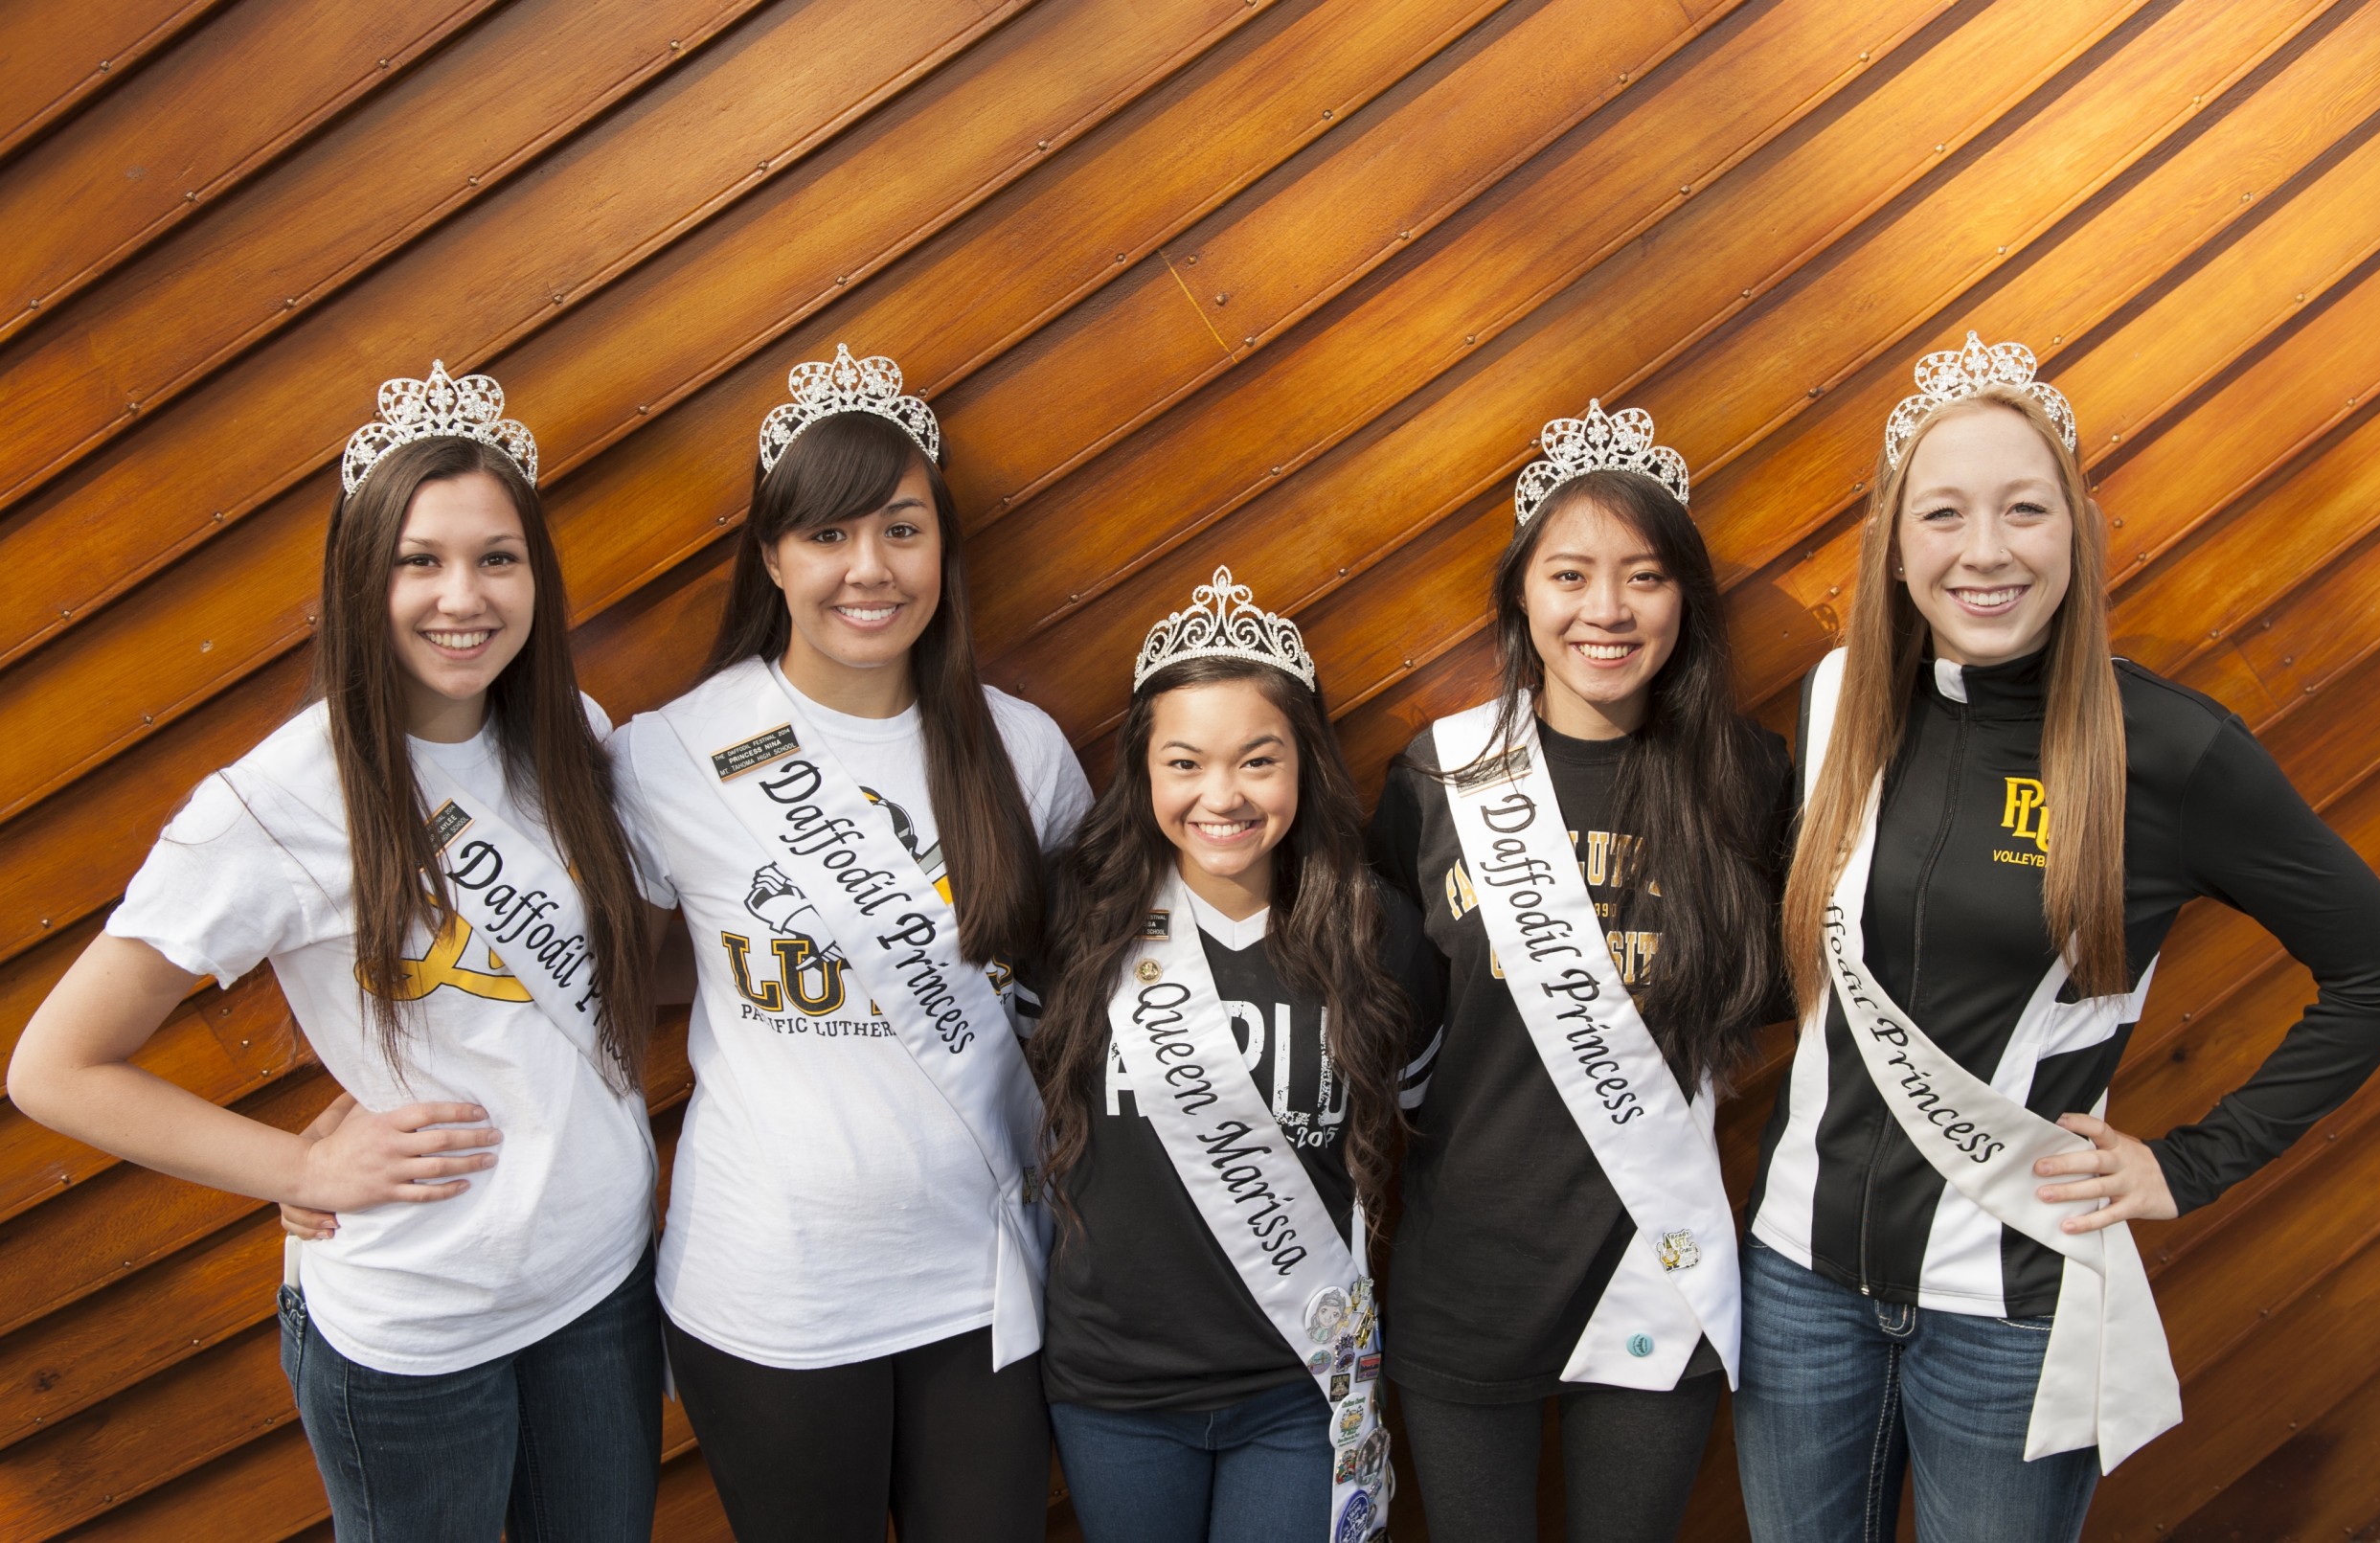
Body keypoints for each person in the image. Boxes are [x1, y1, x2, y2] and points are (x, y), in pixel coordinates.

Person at [1736, 332, 2380, 1541]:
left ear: (2075, 531)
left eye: (2025, 509)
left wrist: (2188, 1163)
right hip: (1796, 1289)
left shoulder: (2167, 751)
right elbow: (1803, 966)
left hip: (2008, 1310)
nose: (1986, 551)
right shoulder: (1836, 695)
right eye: (1942, 515)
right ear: (1895, 550)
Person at [7, 364, 666, 1541]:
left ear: (535, 578)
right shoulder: (273, 803)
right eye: (419, 560)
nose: (461, 596)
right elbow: (53, 1067)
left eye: (495, 557)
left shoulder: (569, 731)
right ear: (362, 577)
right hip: (415, 1326)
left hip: (597, 1282)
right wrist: (298, 1171)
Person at [610, 345, 1091, 1543]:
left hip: (983, 1285)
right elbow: (593, 971)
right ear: (772, 557)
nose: (866, 570)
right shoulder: (671, 753)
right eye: (826, 535)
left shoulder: (1023, 751)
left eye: (900, 529)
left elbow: (1084, 996)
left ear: (944, 552)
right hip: (772, 1288)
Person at [1367, 403, 1791, 1543]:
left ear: (1685, 600)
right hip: (1470, 1268)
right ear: (1520, 595)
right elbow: (1390, 1018)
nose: (1605, 610)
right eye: (1570, 575)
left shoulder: (1747, 780)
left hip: (1657, 1258)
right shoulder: (1435, 778)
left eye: (1643, 576)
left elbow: (1791, 994)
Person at [1029, 568, 1441, 1543]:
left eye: (1258, 761)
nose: (1222, 796)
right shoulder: (1072, 925)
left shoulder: (1375, 931)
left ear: (1305, 766)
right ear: (1142, 773)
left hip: (1299, 1386)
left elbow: (1421, 1110)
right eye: (1185, 764)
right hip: (1115, 1388)